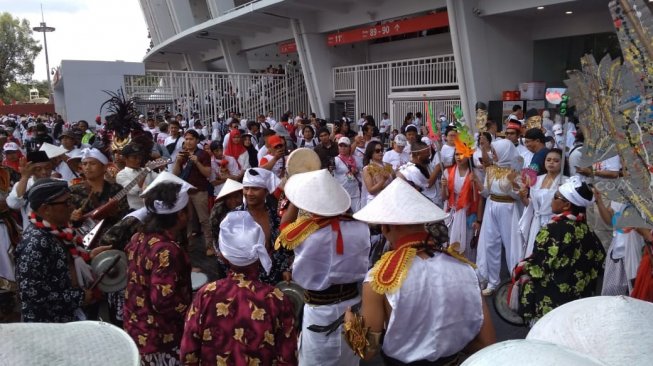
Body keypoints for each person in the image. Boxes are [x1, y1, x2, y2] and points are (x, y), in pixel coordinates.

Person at [345, 178, 496, 364]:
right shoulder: (465, 268)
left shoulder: (379, 279)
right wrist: (449, 342)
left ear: (385, 228)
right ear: (423, 223)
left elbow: (367, 352)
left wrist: (350, 324)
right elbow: (487, 342)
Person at [276, 169, 370, 366]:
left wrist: (296, 199)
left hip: (319, 307)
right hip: (352, 303)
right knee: (349, 356)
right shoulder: (361, 227)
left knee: (315, 359)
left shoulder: (305, 232)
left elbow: (284, 229)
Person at [180, 211, 298, 365]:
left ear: (223, 255)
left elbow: (188, 353)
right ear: (261, 250)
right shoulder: (276, 299)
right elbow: (288, 358)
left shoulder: (206, 294)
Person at [517, 176, 605, 325]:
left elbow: (538, 268)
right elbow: (599, 258)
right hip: (578, 302)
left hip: (552, 301)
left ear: (566, 206)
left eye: (556, 197)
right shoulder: (587, 230)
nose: (552, 199)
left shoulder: (553, 230)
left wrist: (520, 268)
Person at [123, 181, 193, 364]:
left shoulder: (139, 237)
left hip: (136, 326)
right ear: (181, 215)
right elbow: (163, 301)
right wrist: (194, 312)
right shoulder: (167, 250)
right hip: (159, 337)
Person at [15, 179, 102, 322]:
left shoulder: (58, 231)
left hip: (68, 317)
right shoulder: (36, 242)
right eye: (66, 202)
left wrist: (90, 256)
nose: (72, 206)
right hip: (50, 327)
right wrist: (79, 297)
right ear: (45, 209)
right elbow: (31, 294)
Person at [476, 139, 522, 296]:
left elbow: (518, 196)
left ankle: (515, 281)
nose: (492, 154)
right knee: (490, 244)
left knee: (511, 245)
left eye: (495, 151)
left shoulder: (515, 171)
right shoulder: (490, 170)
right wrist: (478, 184)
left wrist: (510, 186)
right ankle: (492, 281)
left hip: (508, 208)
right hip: (491, 205)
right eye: (493, 151)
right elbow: (487, 192)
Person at [519, 149, 568, 259]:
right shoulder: (537, 180)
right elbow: (530, 205)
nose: (551, 163)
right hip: (536, 221)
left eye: (556, 161)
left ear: (562, 163)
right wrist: (522, 195)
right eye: (548, 160)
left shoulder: (565, 182)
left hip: (554, 221)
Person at [172, 129, 213, 256]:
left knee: (204, 219)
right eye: (187, 139)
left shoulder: (203, 155)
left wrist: (197, 162)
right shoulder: (182, 154)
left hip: (199, 191)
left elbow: (207, 173)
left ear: (197, 140)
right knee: (186, 219)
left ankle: (210, 246)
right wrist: (178, 161)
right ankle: (187, 245)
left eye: (191, 139)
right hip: (185, 192)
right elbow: (175, 174)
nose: (188, 142)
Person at [442, 150, 482, 261]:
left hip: (468, 214)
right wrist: (443, 186)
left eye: (462, 154)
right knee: (449, 242)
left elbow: (479, 199)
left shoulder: (475, 173)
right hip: (451, 213)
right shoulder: (447, 172)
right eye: (456, 154)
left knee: (466, 242)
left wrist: (479, 220)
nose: (459, 157)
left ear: (468, 156)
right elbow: (444, 197)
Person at [6, 151, 53, 229]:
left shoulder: (61, 183)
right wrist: (24, 177)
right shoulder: (25, 185)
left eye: (47, 168)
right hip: (33, 234)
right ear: (31, 170)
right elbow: (13, 204)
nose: (44, 172)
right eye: (38, 169)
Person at [115, 143, 158, 211]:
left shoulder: (145, 170)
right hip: (136, 212)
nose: (138, 160)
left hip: (153, 208)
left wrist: (162, 168)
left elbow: (161, 179)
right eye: (134, 157)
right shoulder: (121, 175)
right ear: (125, 158)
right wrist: (145, 172)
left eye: (139, 157)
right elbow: (134, 191)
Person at [334, 137, 361, 212]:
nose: (342, 148)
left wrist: (356, 171)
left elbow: (362, 172)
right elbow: (330, 170)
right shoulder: (335, 160)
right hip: (342, 193)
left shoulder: (356, 159)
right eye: (340, 146)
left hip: (355, 192)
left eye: (345, 146)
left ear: (349, 147)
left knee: (356, 215)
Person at [362, 141, 393, 206]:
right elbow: (371, 190)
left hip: (389, 200)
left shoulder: (388, 165)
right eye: (377, 151)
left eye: (381, 150)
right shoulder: (367, 169)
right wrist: (383, 180)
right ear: (371, 153)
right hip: (375, 202)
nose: (381, 152)